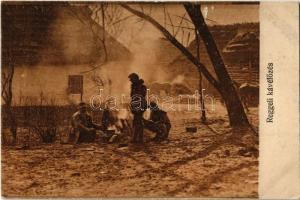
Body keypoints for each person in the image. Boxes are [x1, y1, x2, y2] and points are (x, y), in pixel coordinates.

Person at [128, 73, 147, 144]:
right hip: (136, 105)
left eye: (131, 79)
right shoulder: (133, 86)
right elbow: (132, 96)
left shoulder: (142, 86)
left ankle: (139, 139)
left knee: (138, 121)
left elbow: (141, 96)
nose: (130, 81)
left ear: (135, 79)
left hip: (140, 105)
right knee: (136, 121)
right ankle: (136, 138)